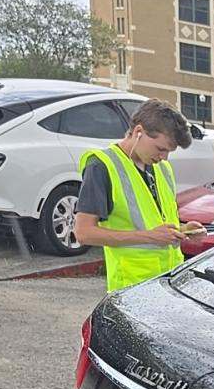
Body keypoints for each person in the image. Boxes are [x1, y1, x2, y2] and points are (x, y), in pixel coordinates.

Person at [73, 98, 204, 292]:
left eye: (169, 151)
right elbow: (84, 233)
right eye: (161, 149)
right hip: (131, 289)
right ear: (138, 132)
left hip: (169, 283)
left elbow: (153, 222)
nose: (164, 157)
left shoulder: (162, 168)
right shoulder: (101, 166)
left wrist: (182, 230)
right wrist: (150, 237)